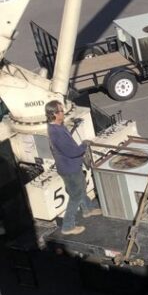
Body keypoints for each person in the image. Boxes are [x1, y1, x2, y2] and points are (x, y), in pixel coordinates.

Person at [45, 100, 101, 236]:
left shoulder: (57, 127)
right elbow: (72, 152)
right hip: (70, 168)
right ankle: (68, 226)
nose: (64, 112)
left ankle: (88, 209)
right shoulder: (57, 133)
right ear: (54, 114)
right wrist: (84, 144)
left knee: (80, 189)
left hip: (68, 167)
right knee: (75, 195)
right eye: (61, 110)